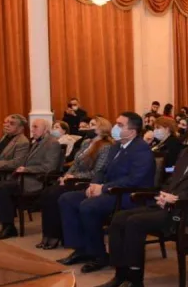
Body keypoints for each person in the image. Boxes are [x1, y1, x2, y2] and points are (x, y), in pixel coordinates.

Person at [93, 115, 188, 287]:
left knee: (135, 222)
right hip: (170, 205)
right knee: (119, 218)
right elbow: (171, 181)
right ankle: (120, 274)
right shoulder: (187, 151)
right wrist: (163, 195)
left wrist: (178, 198)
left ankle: (135, 280)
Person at [57, 112, 155, 272]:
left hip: (129, 195)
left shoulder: (141, 149)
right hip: (110, 190)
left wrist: (102, 188)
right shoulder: (116, 146)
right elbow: (102, 170)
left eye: (120, 125)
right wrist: (94, 184)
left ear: (131, 132)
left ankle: (99, 255)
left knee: (88, 206)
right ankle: (82, 249)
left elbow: (134, 180)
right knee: (67, 199)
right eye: (116, 123)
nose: (115, 127)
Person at [0, 119, 62, 239]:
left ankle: (9, 227)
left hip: (35, 181)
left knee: (1, 188)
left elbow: (49, 167)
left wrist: (26, 170)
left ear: (45, 129)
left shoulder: (52, 143)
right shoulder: (36, 142)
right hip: (22, 178)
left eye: (35, 127)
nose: (32, 130)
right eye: (32, 127)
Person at [36, 117, 114, 249]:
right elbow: (75, 164)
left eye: (93, 125)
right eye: (89, 124)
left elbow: (97, 172)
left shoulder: (106, 147)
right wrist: (66, 175)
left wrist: (74, 176)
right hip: (73, 178)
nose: (89, 127)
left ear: (103, 128)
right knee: (47, 193)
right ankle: (48, 234)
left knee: (55, 194)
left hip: (86, 181)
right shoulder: (86, 143)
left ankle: (56, 235)